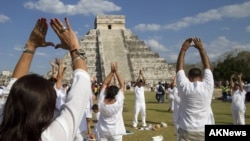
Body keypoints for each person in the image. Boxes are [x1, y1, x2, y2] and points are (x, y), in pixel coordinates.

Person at [0, 17, 92, 141]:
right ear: (47, 109)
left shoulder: (3, 123)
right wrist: (74, 48)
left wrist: (31, 46)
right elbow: (82, 90)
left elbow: (12, 89)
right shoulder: (52, 136)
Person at [176, 37, 214, 141]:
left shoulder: (184, 87)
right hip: (204, 129)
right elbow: (207, 67)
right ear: (202, 77)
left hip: (186, 129)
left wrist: (183, 49)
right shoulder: (208, 86)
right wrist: (201, 49)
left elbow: (179, 69)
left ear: (188, 78)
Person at [95, 62, 126, 141]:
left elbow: (104, 83)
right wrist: (116, 72)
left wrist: (111, 72)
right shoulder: (118, 102)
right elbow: (122, 85)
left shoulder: (101, 101)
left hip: (102, 131)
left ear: (107, 92)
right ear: (116, 94)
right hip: (116, 132)